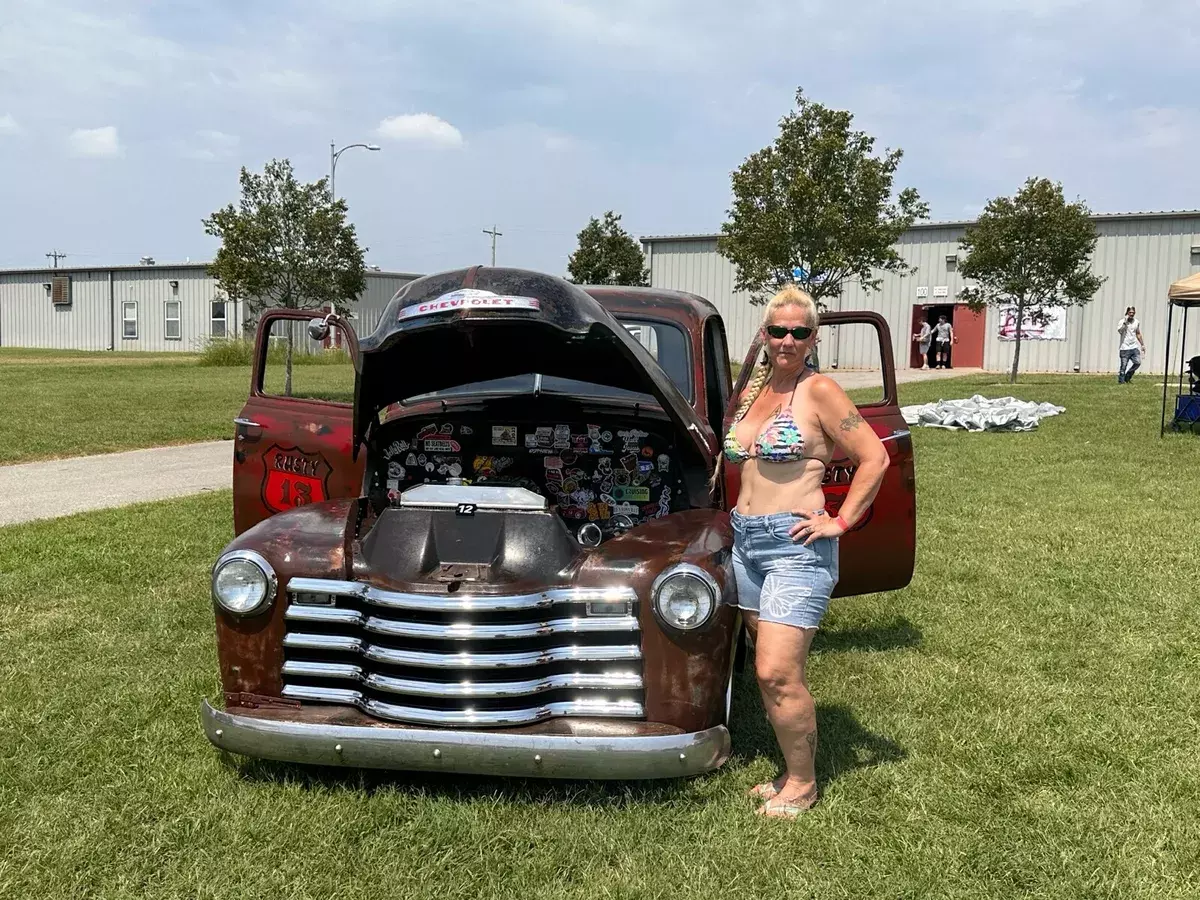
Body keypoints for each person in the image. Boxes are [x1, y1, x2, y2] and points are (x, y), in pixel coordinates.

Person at [721, 285, 890, 818]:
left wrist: (840, 520)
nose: (787, 340)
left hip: (794, 545)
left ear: (814, 337)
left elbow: (875, 458)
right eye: (777, 330)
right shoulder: (753, 390)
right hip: (745, 541)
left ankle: (803, 782)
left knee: (775, 672)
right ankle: (789, 767)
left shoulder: (819, 391)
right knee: (769, 666)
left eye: (799, 331)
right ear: (764, 335)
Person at [1117, 306, 1145, 384]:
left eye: (1133, 313)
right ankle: (1121, 381)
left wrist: (1142, 344)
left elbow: (1138, 333)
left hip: (1134, 347)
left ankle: (1128, 376)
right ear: (1127, 313)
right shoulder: (1122, 321)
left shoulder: (1136, 322)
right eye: (1130, 312)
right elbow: (1120, 331)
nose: (1131, 314)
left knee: (1137, 362)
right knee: (1123, 366)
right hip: (1124, 347)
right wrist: (1125, 324)